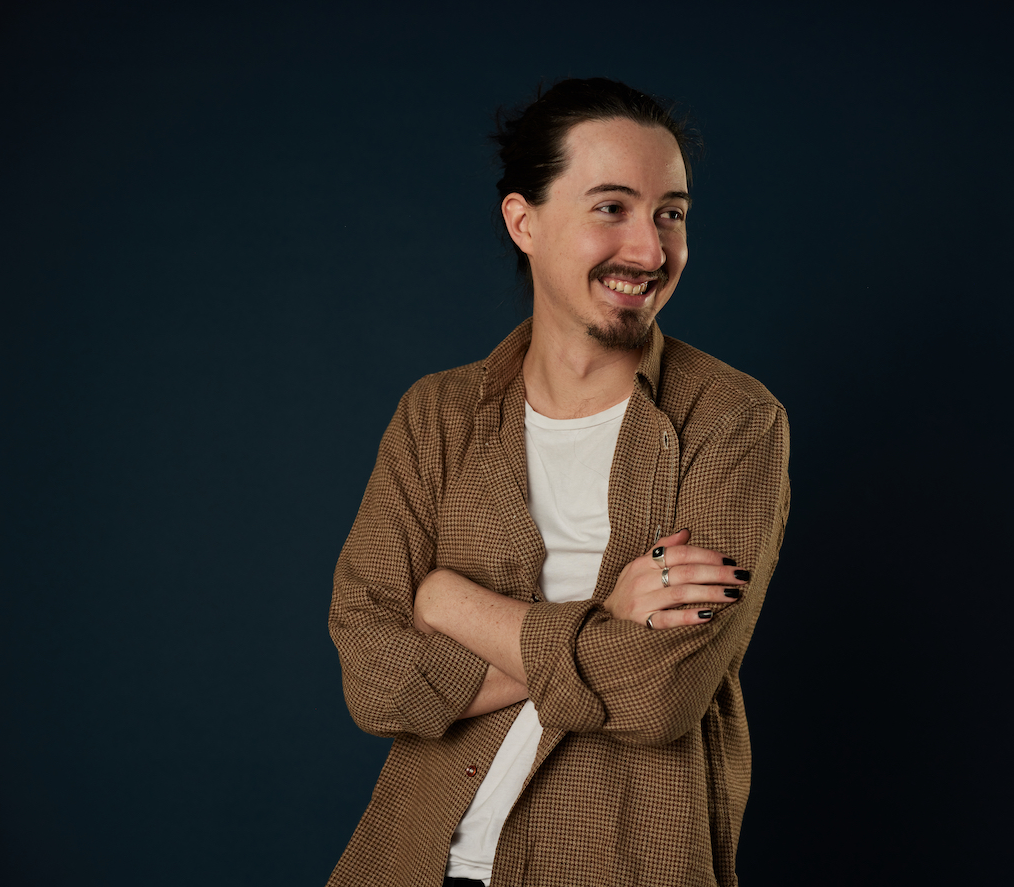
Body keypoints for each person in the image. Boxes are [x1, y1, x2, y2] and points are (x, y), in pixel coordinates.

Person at [327, 77, 790, 887]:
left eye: (671, 214)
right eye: (611, 207)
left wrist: (449, 605)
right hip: (412, 861)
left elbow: (662, 695)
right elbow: (373, 680)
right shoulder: (436, 418)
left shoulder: (733, 422)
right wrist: (608, 617)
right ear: (524, 221)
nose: (650, 251)